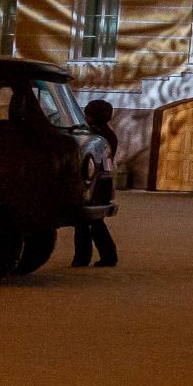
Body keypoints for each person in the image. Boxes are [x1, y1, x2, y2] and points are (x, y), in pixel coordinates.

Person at [72, 100, 120, 268]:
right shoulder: (107, 134)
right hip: (102, 183)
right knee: (92, 222)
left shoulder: (97, 136)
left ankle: (85, 257)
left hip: (95, 183)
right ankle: (98, 256)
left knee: (87, 222)